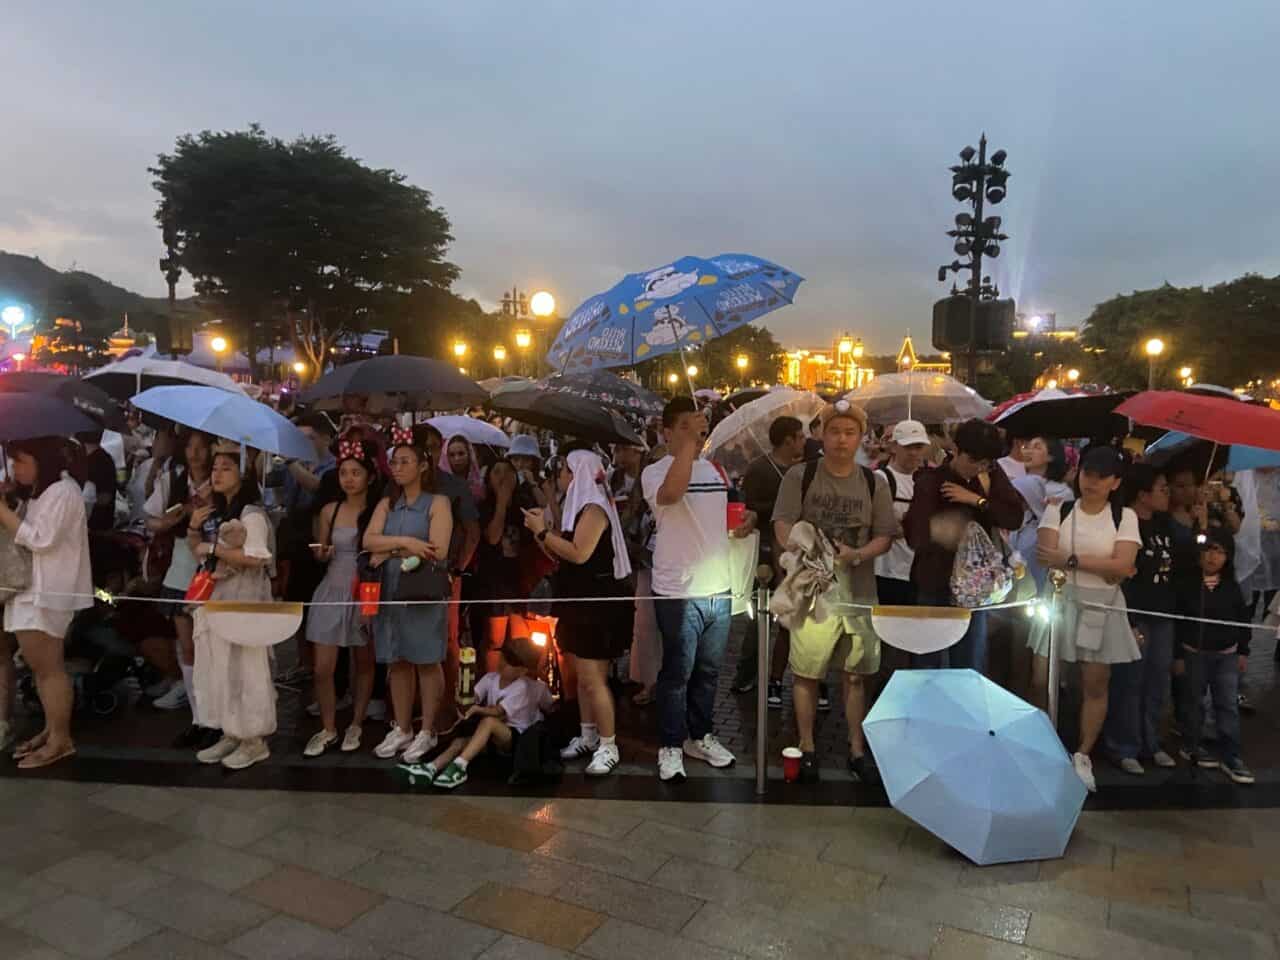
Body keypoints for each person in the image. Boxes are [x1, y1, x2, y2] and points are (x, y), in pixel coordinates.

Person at [773, 401, 895, 782]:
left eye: (849, 432)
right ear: (821, 435)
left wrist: (856, 554)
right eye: (834, 431)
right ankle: (807, 744)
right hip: (813, 591)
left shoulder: (875, 482)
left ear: (860, 437)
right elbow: (782, 523)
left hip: (859, 590)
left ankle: (856, 748)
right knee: (807, 672)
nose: (842, 440)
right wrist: (806, 552)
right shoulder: (800, 475)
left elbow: (885, 535)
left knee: (857, 674)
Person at [642, 396, 754, 782]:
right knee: (677, 671)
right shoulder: (656, 472)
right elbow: (671, 496)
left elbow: (726, 517)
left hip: (717, 586)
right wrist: (689, 447)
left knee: (708, 671)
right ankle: (670, 744)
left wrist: (746, 521)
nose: (698, 432)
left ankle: (700, 734)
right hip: (678, 589)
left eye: (699, 425)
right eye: (686, 426)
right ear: (668, 432)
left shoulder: (717, 471)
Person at [1030, 445, 1141, 792]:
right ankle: (1043, 745)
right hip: (1060, 599)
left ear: (1115, 481)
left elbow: (1124, 566)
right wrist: (1101, 564)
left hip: (1102, 604)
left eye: (1101, 476)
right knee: (1040, 675)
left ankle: (1083, 752)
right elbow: (1048, 556)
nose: (1091, 481)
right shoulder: (1059, 509)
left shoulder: (1125, 517)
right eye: (1087, 473)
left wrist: (1073, 559)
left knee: (1095, 681)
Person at [526, 449, 635, 776]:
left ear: (577, 473)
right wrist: (540, 531)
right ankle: (588, 734)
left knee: (593, 677)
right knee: (579, 675)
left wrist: (544, 532)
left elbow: (578, 552)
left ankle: (608, 743)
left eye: (563, 470)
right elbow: (562, 552)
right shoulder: (578, 508)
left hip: (596, 605)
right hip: (577, 601)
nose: (559, 476)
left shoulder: (595, 509)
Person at [0, 438, 93, 768]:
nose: (15, 468)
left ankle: (60, 739)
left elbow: (41, 539)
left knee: (49, 669)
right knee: (41, 669)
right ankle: (52, 730)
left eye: (21, 461)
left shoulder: (63, 491)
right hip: (32, 591)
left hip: (47, 591)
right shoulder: (42, 491)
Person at [903, 418, 1024, 671]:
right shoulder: (932, 481)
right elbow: (916, 535)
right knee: (928, 660)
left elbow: (1013, 517)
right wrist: (940, 532)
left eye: (985, 463)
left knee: (969, 664)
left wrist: (978, 501)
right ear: (955, 450)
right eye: (973, 461)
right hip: (935, 582)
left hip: (974, 588)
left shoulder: (990, 476)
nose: (978, 467)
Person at [187, 442, 278, 770]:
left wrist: (212, 548)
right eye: (215, 468)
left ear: (242, 473)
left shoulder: (252, 513)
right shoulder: (218, 512)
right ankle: (231, 731)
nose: (217, 474)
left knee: (247, 669)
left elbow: (254, 557)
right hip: (218, 598)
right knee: (221, 667)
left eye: (226, 467)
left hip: (244, 599)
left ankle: (254, 739)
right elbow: (197, 551)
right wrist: (195, 527)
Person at [364, 429, 453, 762]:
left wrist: (390, 551)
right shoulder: (388, 503)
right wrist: (408, 544)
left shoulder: (438, 502)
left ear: (422, 466)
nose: (397, 467)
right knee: (397, 660)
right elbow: (368, 541)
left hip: (421, 590)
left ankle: (428, 730)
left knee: (427, 660)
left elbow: (437, 549)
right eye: (394, 461)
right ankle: (402, 726)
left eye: (405, 461)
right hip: (389, 590)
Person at [304, 434, 382, 757]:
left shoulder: (379, 511)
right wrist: (322, 553)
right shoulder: (329, 511)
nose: (349, 479)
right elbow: (321, 551)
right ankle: (329, 726)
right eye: (344, 472)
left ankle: (357, 722)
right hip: (332, 587)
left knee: (363, 662)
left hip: (364, 588)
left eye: (356, 472)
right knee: (323, 666)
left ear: (370, 476)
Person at [1102, 464, 1178, 774]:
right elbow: (1123, 578)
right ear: (1143, 494)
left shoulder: (1165, 523)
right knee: (1130, 681)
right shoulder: (1125, 525)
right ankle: (1124, 745)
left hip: (1164, 614)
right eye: (1161, 488)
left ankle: (1152, 742)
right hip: (1134, 613)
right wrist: (1129, 620)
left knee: (1157, 681)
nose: (1167, 493)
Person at [143, 430, 218, 746]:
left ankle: (216, 715)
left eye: (202, 447)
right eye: (190, 446)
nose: (195, 452)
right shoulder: (173, 480)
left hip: (214, 569)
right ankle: (199, 715)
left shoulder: (221, 480)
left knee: (212, 647)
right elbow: (151, 521)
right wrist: (179, 515)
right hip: (181, 568)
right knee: (187, 645)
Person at [732, 415, 806, 701]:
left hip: (795, 550)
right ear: (787, 439)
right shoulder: (760, 469)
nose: (803, 441)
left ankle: (779, 676)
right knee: (760, 616)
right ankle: (745, 674)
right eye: (799, 436)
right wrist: (779, 508)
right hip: (764, 548)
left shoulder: (801, 470)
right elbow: (747, 506)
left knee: (791, 615)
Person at [421, 639, 553, 789]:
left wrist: (478, 709)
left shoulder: (523, 687)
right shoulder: (490, 678)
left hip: (517, 738)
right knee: (460, 742)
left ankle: (460, 765)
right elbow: (472, 698)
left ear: (522, 670)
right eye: (502, 657)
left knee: (489, 721)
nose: (502, 663)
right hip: (491, 736)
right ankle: (432, 767)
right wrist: (463, 695)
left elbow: (498, 712)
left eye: (509, 662)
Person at [1175, 530, 1253, 783]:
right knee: (1194, 702)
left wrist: (1243, 650)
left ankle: (1231, 755)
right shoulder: (1186, 585)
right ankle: (1192, 744)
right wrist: (1178, 655)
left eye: (1219, 552)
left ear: (1227, 557)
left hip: (1227, 655)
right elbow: (1178, 622)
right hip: (1194, 652)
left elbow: (1243, 620)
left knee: (1227, 705)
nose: (1212, 557)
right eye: (1209, 550)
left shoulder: (1232, 587)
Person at [475, 458, 543, 673]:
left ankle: (521, 687)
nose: (503, 477)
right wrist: (501, 504)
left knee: (521, 637)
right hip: (492, 579)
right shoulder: (484, 507)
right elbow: (493, 537)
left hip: (519, 579)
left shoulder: (524, 505)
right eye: (497, 472)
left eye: (508, 472)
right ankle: (491, 685)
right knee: (494, 638)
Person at [874, 419, 931, 608]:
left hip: (920, 573)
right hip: (888, 573)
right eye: (908, 447)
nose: (914, 452)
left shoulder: (929, 479)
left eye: (918, 446)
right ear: (894, 447)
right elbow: (881, 526)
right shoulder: (881, 479)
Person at [1010, 436, 1074, 592]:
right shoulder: (1017, 484)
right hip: (1015, 547)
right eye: (1027, 447)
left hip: (1041, 552)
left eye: (1037, 447)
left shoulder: (1063, 493)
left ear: (1051, 456)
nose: (1028, 451)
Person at [442, 434, 485, 503]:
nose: (457, 458)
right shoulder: (441, 486)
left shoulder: (479, 484)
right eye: (452, 455)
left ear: (469, 455)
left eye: (461, 453)